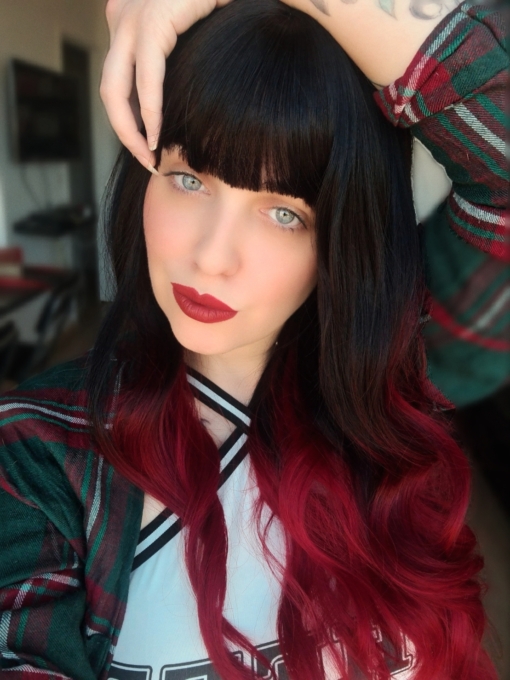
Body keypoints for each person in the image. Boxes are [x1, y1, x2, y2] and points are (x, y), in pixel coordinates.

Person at [0, 1, 503, 679]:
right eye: (188, 179)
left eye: (283, 213)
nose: (212, 257)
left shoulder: (402, 369)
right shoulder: (40, 451)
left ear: (343, 231)